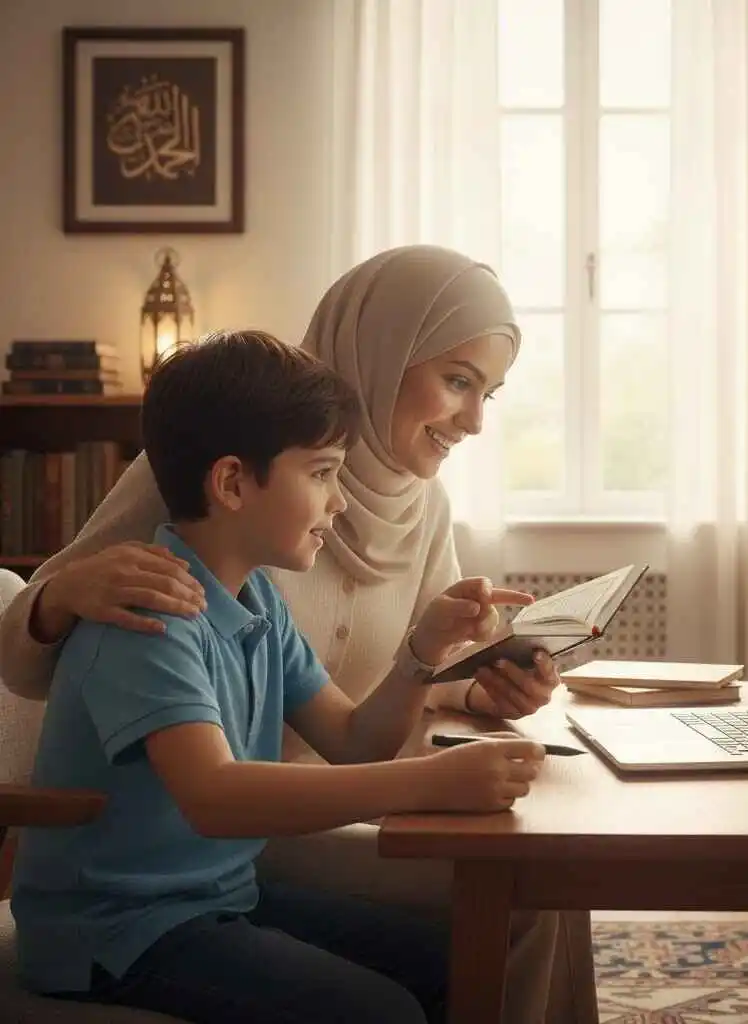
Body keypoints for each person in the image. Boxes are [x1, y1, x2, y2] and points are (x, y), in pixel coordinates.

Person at [0, 246, 580, 1024]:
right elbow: (214, 795)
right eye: (321, 474)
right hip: (130, 916)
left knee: (459, 961)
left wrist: (424, 655)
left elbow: (355, 739)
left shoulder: (262, 599)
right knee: (398, 998)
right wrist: (432, 781)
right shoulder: (150, 603)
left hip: (220, 878)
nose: (337, 501)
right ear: (231, 483)